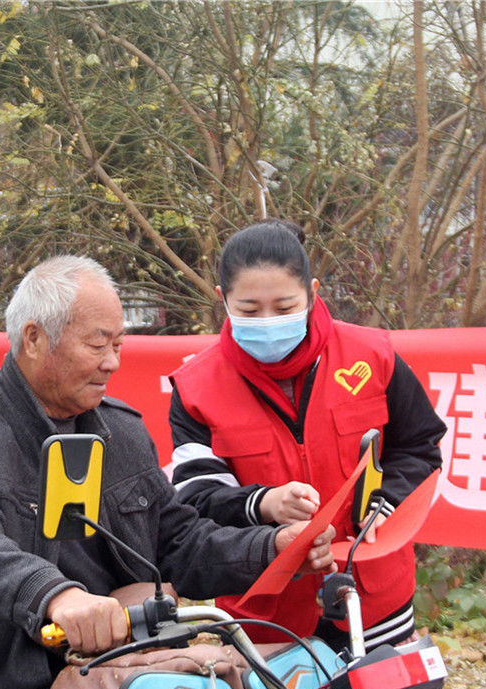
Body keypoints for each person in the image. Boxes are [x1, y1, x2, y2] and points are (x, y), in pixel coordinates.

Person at [0, 255, 335, 689]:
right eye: (97, 345)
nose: (112, 362)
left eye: (119, 346)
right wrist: (55, 597)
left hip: (117, 673)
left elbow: (178, 541)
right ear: (35, 339)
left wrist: (273, 548)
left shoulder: (121, 432)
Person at [169, 220, 447, 653]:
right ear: (222, 300)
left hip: (373, 600)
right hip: (265, 617)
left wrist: (383, 505)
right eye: (248, 309)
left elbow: (419, 445)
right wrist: (263, 504)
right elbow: (195, 497)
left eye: (283, 308)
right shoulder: (194, 388)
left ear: (313, 292)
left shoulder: (373, 356)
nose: (266, 322)